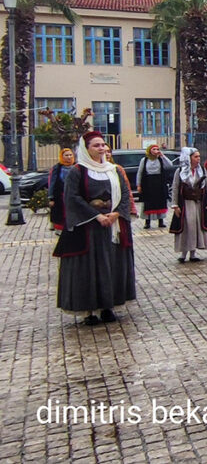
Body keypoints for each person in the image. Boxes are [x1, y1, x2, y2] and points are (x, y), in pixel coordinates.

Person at [54, 131, 135, 325]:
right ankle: (89, 310)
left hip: (112, 226)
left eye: (102, 145)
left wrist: (116, 214)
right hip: (88, 228)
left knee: (111, 264)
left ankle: (108, 306)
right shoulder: (78, 171)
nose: (101, 149)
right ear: (86, 149)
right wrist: (96, 216)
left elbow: (125, 194)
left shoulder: (114, 170)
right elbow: (72, 198)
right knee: (89, 268)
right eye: (96, 146)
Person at [169, 147, 207, 264]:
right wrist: (175, 205)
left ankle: (193, 253)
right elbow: (175, 188)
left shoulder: (202, 170)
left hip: (198, 203)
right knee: (187, 228)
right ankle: (183, 253)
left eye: (199, 157)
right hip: (185, 203)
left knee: (196, 227)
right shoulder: (180, 171)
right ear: (189, 158)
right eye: (195, 157)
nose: (198, 159)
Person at [136, 143, 173, 228]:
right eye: (154, 149)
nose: (156, 151)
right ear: (150, 150)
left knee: (160, 202)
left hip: (159, 183)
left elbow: (170, 165)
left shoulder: (160, 159)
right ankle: (147, 222)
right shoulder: (144, 160)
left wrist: (163, 156)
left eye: (157, 149)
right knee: (148, 203)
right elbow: (140, 173)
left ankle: (161, 221)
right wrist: (139, 185)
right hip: (148, 184)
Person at [48, 148, 76, 232]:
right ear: (62, 157)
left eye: (70, 155)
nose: (69, 157)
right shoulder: (57, 168)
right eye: (66, 155)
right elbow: (52, 182)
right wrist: (51, 197)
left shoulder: (76, 167)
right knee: (60, 213)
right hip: (60, 195)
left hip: (73, 195)